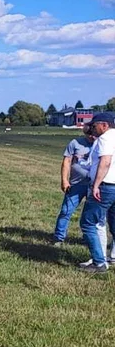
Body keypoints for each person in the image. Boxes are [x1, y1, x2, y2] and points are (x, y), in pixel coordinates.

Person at [79, 112, 115, 273]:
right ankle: (111, 257)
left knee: (88, 222)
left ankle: (99, 262)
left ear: (104, 125)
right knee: (113, 224)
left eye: (95, 126)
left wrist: (96, 185)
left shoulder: (106, 138)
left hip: (106, 185)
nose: (93, 129)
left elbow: (105, 161)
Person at [52, 123, 95, 246]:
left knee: (91, 215)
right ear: (85, 133)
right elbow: (66, 161)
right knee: (66, 211)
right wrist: (64, 180)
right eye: (89, 135)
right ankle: (59, 237)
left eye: (94, 135)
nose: (92, 137)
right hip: (76, 184)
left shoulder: (101, 144)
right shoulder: (75, 143)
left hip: (94, 185)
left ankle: (88, 239)